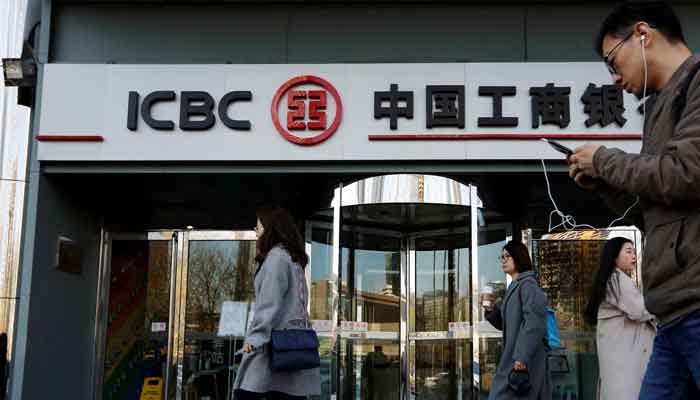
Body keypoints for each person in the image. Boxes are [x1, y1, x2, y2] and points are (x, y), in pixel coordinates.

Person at [568, 2, 700, 397]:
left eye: (613, 60)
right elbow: (656, 210)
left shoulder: (695, 85)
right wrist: (602, 181)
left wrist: (605, 159)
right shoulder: (659, 105)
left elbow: (687, 173)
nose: (613, 77)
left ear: (643, 34)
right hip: (674, 313)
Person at [232, 206, 321, 400]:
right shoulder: (294, 260)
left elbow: (269, 307)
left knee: (245, 391)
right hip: (291, 351)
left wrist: (253, 341)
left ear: (270, 228)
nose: (256, 231)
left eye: (258, 226)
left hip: (271, 351)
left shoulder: (276, 259)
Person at [584, 237, 655, 399]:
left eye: (634, 252)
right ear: (614, 256)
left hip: (615, 360)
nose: (634, 256)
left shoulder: (608, 281)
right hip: (624, 362)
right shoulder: (617, 279)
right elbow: (640, 310)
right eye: (628, 252)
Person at [483, 241, 551, 400]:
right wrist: (491, 311)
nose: (503, 260)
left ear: (518, 257)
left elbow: (534, 325)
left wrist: (522, 356)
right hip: (515, 356)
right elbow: (508, 324)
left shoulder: (528, 286)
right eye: (502, 256)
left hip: (523, 359)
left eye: (508, 256)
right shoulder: (515, 286)